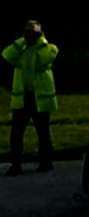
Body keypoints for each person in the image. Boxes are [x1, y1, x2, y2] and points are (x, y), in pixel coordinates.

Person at [2, 21, 59, 176]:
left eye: (33, 32)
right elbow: (6, 55)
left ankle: (46, 162)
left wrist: (40, 41)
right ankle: (15, 164)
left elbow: (46, 58)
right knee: (16, 133)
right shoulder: (20, 49)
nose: (29, 35)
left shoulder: (49, 48)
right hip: (22, 97)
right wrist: (22, 40)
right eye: (27, 31)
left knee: (43, 132)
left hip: (40, 98)